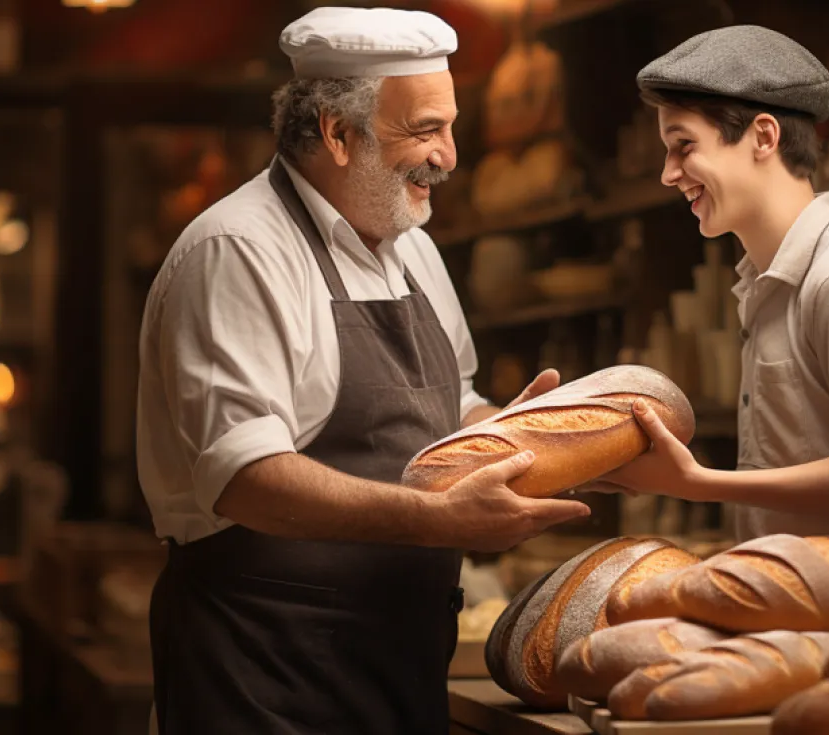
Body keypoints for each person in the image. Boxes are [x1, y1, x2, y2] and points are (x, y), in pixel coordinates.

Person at [134, 7, 591, 734]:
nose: (448, 155)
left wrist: (526, 439)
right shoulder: (237, 251)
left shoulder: (412, 247)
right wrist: (442, 520)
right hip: (261, 680)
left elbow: (456, 405)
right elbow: (244, 477)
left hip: (396, 670)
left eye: (449, 126)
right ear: (337, 134)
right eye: (424, 130)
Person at [604, 25, 829, 575]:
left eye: (684, 146)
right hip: (820, 613)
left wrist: (698, 485)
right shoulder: (772, 280)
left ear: (763, 137)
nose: (668, 174)